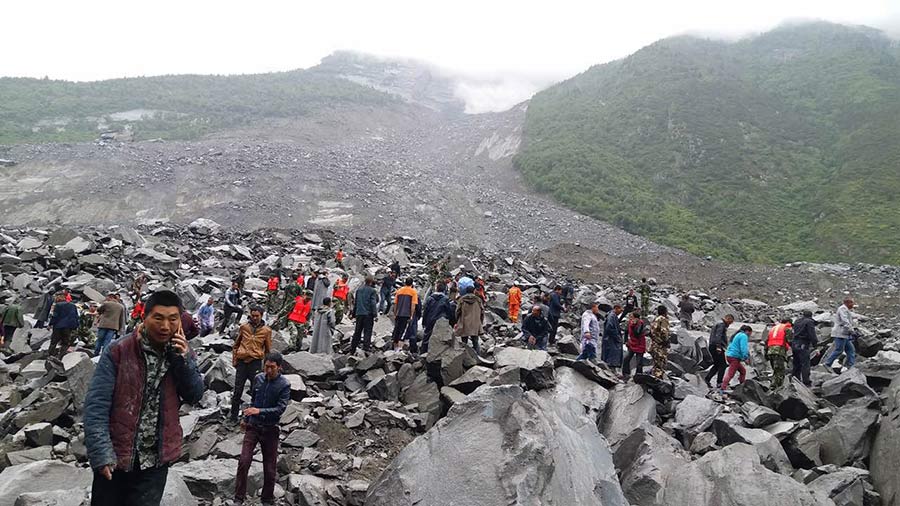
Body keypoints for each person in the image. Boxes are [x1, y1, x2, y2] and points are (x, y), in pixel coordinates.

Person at [83, 290, 204, 506]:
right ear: (144, 317)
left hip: (155, 461)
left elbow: (194, 395)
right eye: (158, 318)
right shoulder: (119, 350)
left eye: (172, 319)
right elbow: (96, 405)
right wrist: (101, 453)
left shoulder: (182, 352)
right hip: (116, 457)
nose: (165, 326)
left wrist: (183, 360)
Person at [234, 352, 290, 506]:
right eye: (266, 367)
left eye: (272, 367)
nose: (269, 370)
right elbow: (253, 400)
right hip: (253, 426)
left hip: (271, 429)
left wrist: (260, 411)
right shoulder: (258, 379)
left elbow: (280, 409)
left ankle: (267, 499)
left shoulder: (284, 385)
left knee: (270, 467)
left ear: (279, 367)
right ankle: (239, 498)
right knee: (244, 461)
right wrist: (246, 418)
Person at [229, 306, 272, 423]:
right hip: (242, 362)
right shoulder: (244, 327)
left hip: (255, 363)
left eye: (257, 316)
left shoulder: (266, 331)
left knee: (255, 390)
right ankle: (233, 417)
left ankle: (252, 417)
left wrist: (266, 367)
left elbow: (268, 350)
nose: (254, 318)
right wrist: (235, 359)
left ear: (262, 315)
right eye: (252, 315)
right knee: (237, 390)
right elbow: (236, 345)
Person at [421, 282, 455, 354]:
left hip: (430, 319)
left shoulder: (430, 298)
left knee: (427, 336)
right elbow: (448, 311)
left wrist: (424, 321)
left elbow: (426, 311)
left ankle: (423, 353)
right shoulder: (445, 299)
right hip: (440, 320)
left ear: (436, 288)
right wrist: (450, 322)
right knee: (439, 338)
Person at [825, 298, 857, 370]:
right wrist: (852, 330)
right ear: (847, 303)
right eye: (852, 303)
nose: (853, 305)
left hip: (845, 334)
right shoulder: (843, 309)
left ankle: (850, 366)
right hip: (840, 333)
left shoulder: (846, 309)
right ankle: (827, 363)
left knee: (851, 350)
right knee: (839, 350)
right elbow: (844, 320)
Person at [349, 277, 378, 354]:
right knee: (367, 331)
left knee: (357, 331)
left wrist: (353, 314)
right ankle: (366, 348)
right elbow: (373, 303)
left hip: (359, 313)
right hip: (368, 314)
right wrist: (375, 314)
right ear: (371, 283)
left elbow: (356, 303)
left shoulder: (359, 290)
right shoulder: (372, 291)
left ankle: (353, 348)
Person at [705, 314, 734, 388]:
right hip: (716, 347)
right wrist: (718, 346)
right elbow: (718, 336)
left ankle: (707, 379)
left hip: (712, 345)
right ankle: (719, 382)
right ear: (728, 319)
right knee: (722, 365)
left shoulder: (718, 323)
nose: (730, 324)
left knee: (717, 364)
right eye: (730, 322)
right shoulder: (721, 324)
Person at [48, 292, 79, 359]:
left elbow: (55, 316)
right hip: (68, 327)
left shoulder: (58, 305)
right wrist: (75, 326)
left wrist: (50, 324)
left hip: (58, 326)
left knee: (54, 342)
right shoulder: (73, 305)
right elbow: (76, 316)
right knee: (65, 342)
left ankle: (50, 355)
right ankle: (61, 356)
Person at [391, 278, 419, 352]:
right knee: (403, 332)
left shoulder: (399, 291)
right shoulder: (413, 292)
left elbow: (395, 304)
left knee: (397, 330)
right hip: (406, 314)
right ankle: (399, 350)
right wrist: (411, 315)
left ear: (405, 283)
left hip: (399, 313)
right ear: (412, 283)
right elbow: (413, 305)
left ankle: (394, 347)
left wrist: (395, 313)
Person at [791, 310, 818, 386]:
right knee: (805, 363)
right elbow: (811, 334)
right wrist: (815, 345)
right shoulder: (809, 322)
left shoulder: (797, 321)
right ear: (811, 315)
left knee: (796, 363)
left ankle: (795, 380)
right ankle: (806, 381)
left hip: (794, 343)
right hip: (803, 344)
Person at [722, 325, 752, 391]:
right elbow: (743, 348)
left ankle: (742, 386)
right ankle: (723, 388)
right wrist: (745, 358)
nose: (750, 335)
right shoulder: (744, 336)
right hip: (734, 357)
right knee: (731, 373)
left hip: (730, 356)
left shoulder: (737, 334)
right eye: (750, 333)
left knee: (742, 371)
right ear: (747, 331)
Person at [455, 285, 484, 354]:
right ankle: (478, 357)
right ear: (474, 291)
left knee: (464, 343)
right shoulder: (478, 300)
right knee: (475, 342)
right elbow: (482, 312)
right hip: (475, 323)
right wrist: (480, 322)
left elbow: (457, 311)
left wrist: (457, 320)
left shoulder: (462, 300)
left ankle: (464, 357)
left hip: (464, 323)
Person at [766, 318, 793, 389]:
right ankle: (777, 387)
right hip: (779, 351)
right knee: (780, 370)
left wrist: (766, 354)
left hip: (770, 351)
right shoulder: (786, 328)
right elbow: (790, 340)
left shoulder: (773, 328)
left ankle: (773, 385)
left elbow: (766, 341)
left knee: (775, 369)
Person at [622, 311, 647, 379]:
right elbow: (626, 331)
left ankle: (638, 376)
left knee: (639, 362)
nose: (630, 318)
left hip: (640, 344)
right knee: (626, 358)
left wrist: (634, 326)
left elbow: (637, 334)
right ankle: (626, 373)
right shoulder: (629, 322)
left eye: (632, 317)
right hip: (632, 343)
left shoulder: (640, 323)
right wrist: (626, 341)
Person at [649, 306, 671, 379]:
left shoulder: (655, 319)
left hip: (654, 344)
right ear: (665, 312)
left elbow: (651, 332)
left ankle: (653, 378)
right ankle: (658, 381)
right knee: (660, 364)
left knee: (656, 364)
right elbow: (664, 331)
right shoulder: (663, 319)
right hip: (660, 346)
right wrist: (666, 341)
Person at [601, 305, 624, 372]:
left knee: (610, 354)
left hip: (610, 339)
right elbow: (609, 328)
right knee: (612, 354)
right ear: (616, 309)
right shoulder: (611, 316)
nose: (620, 312)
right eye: (620, 310)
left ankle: (611, 369)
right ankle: (611, 370)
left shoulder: (612, 315)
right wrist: (617, 336)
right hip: (611, 340)